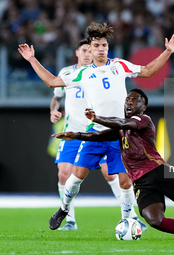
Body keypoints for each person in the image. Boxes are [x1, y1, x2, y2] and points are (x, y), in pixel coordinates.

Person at [17, 22, 174, 231]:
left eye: (104, 45)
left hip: (120, 135)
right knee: (75, 179)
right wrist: (32, 59)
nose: (101, 49)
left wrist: (168, 51)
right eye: (96, 45)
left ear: (107, 47)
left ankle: (127, 221)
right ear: (90, 49)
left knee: (125, 182)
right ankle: (64, 209)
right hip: (95, 134)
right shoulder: (82, 74)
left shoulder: (119, 66)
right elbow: (51, 81)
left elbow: (148, 71)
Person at [52, 89, 174, 240]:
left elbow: (121, 123)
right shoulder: (121, 128)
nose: (130, 102)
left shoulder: (143, 120)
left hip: (158, 172)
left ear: (143, 107)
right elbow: (98, 135)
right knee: (154, 220)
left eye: (135, 100)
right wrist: (75, 135)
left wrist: (97, 118)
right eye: (128, 99)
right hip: (141, 181)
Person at [47, 39, 124, 230]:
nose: (89, 53)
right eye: (85, 50)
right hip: (73, 132)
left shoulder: (101, 72)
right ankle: (70, 220)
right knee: (64, 174)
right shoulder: (67, 73)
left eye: (91, 50)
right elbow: (56, 97)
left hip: (96, 132)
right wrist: (53, 110)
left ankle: (129, 216)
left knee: (111, 174)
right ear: (77, 52)